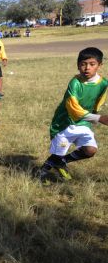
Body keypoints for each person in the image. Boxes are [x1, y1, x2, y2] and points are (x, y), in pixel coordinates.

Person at [40, 47, 107, 182]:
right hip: (65, 122)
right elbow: (73, 108)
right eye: (83, 64)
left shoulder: (103, 83)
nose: (87, 68)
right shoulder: (75, 83)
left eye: (92, 64)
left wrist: (95, 113)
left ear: (100, 65)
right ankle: (42, 173)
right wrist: (98, 118)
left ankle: (61, 162)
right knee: (58, 152)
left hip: (84, 122)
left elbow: (99, 100)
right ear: (78, 65)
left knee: (90, 150)